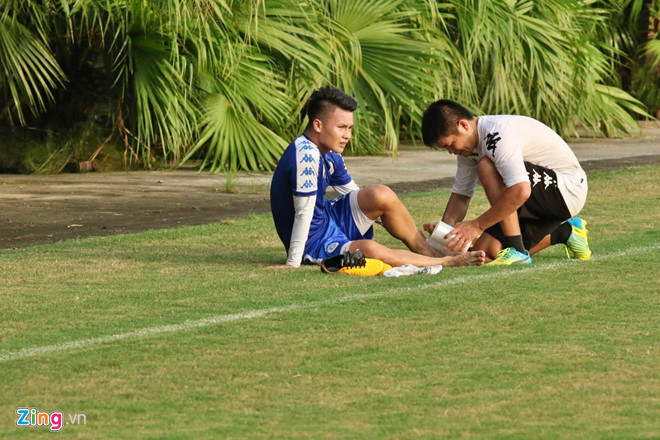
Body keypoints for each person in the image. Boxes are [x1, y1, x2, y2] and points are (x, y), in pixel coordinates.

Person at [269, 87, 485, 271]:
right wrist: (292, 263)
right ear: (318, 125)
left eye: (350, 128)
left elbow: (353, 194)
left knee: (380, 194)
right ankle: (447, 261)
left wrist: (387, 212)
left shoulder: (330, 153)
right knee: (370, 250)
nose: (347, 135)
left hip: (328, 218)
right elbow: (303, 212)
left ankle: (428, 250)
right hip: (312, 241)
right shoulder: (306, 155)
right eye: (341, 128)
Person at [420, 99, 592, 265]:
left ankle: (517, 249)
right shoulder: (466, 149)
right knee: (485, 252)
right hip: (540, 198)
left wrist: (476, 226)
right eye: (446, 148)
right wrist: (443, 238)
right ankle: (566, 232)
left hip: (567, 190)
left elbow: (520, 190)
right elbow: (461, 197)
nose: (451, 151)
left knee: (486, 166)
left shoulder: (497, 135)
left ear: (463, 125)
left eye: (450, 145)